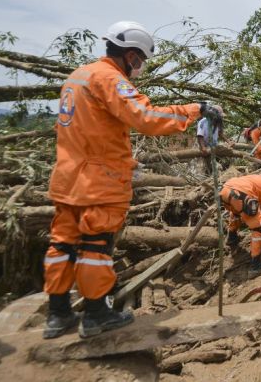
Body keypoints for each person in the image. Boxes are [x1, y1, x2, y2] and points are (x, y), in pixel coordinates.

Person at [43, 21, 216, 340]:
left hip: (67, 178)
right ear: (133, 56)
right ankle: (95, 315)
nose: (140, 68)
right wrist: (196, 109)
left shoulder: (78, 76)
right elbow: (146, 117)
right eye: (141, 61)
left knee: (62, 244)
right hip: (98, 181)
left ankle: (57, 314)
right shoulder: (109, 78)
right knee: (96, 246)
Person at [220, 172, 261, 278]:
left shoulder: (257, 179)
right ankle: (255, 267)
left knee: (236, 213)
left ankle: (232, 237)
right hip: (241, 193)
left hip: (226, 190)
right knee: (258, 228)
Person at [196, 105, 233, 172]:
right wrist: (203, 147)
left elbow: (220, 133)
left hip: (214, 146)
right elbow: (200, 136)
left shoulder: (217, 122)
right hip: (204, 146)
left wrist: (228, 141)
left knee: (225, 160)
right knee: (208, 167)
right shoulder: (202, 122)